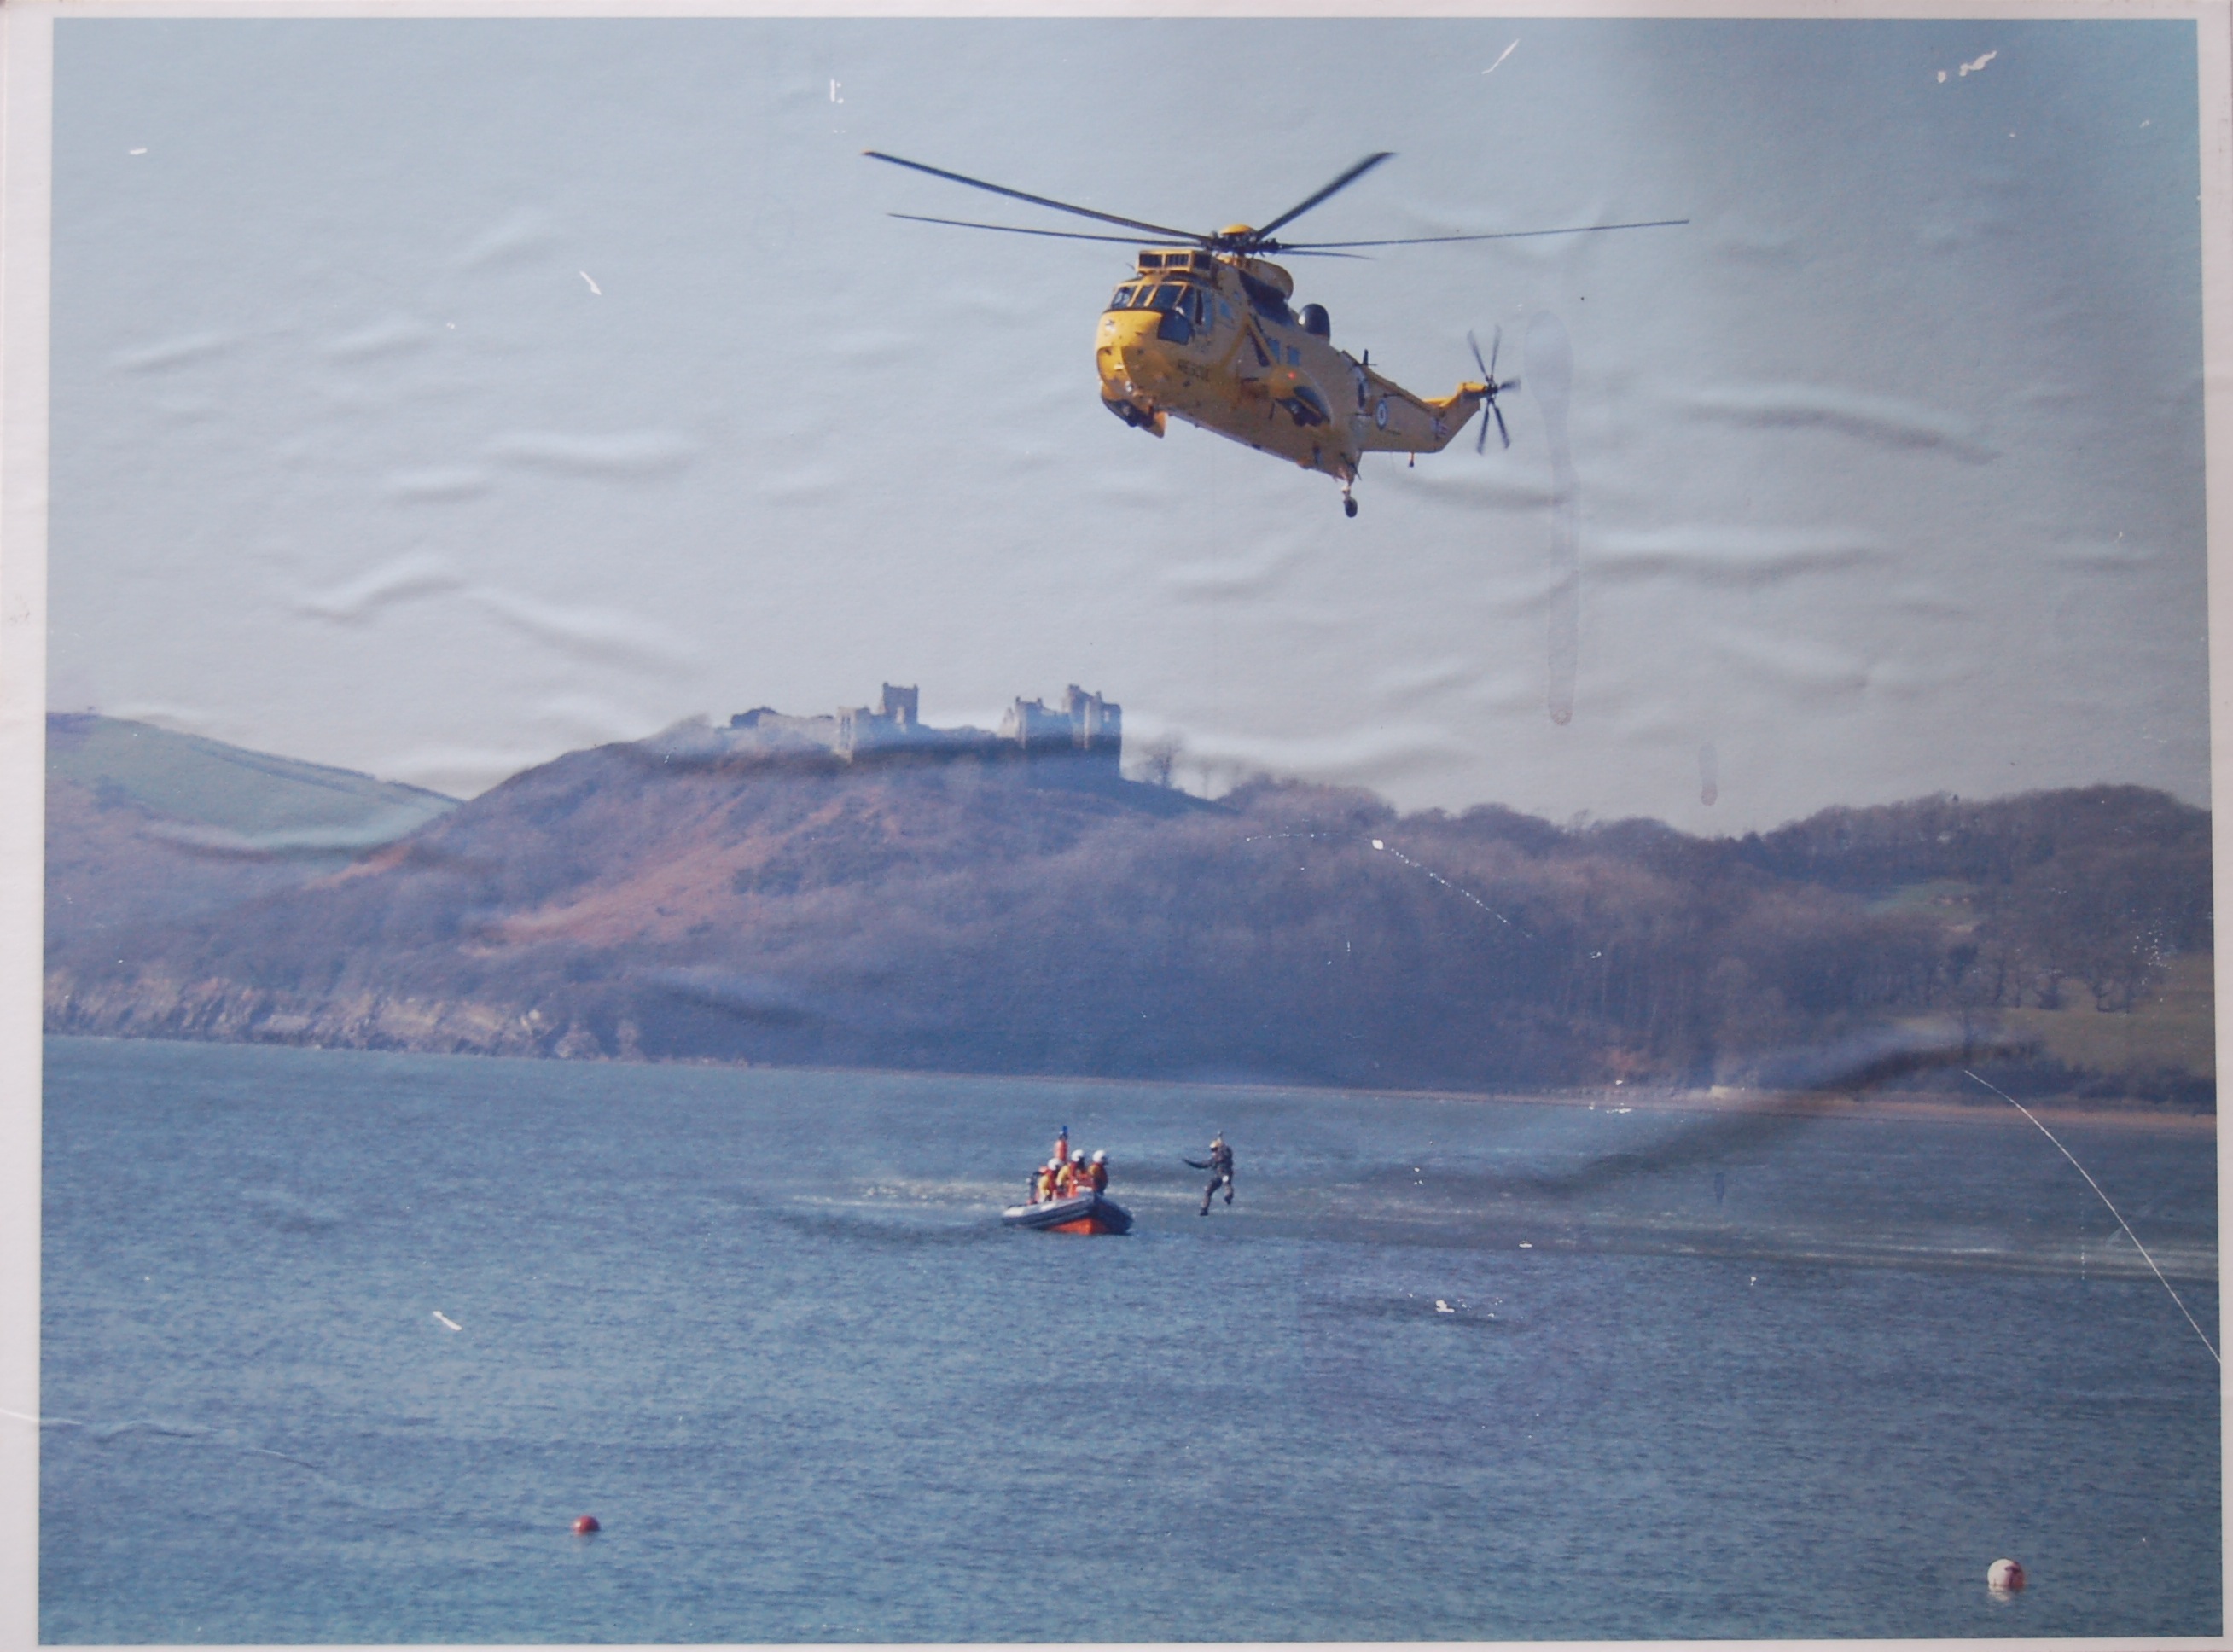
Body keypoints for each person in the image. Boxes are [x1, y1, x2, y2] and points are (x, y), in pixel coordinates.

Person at [1185, 1135, 1235, 1215]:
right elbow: (1201, 1165)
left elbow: (1227, 1151)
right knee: (1208, 1190)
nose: (1214, 1152)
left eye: (1215, 1149)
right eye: (1212, 1150)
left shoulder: (1226, 1156)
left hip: (1226, 1173)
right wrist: (1190, 1163)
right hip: (1218, 1176)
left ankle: (1228, 1197)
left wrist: (1222, 1144)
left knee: (1227, 1184)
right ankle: (1204, 1209)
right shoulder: (1213, 1161)